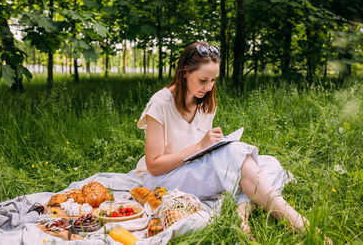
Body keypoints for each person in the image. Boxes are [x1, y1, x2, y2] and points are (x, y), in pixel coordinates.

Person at [136, 41, 331, 243]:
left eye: (213, 80)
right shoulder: (161, 103)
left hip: (194, 169)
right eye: (203, 80)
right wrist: (201, 146)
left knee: (268, 163)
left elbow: (200, 150)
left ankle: (241, 214)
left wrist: (210, 147)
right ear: (184, 72)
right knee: (239, 156)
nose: (209, 87)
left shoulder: (205, 101)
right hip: (165, 179)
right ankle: (300, 225)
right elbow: (154, 165)